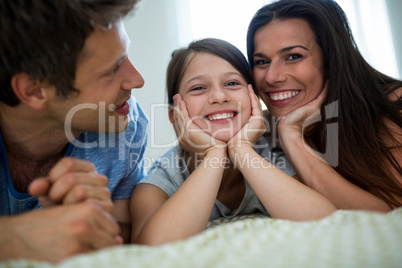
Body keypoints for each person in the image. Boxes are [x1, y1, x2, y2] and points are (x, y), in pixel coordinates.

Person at [130, 38, 335, 245]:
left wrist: (241, 149)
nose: (219, 96)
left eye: (232, 83)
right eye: (199, 88)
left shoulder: (274, 158)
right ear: (176, 117)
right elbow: (153, 247)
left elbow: (325, 221)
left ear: (254, 100)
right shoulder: (161, 183)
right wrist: (214, 154)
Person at [0, 0, 148, 263]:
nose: (137, 80)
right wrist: (15, 237)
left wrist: (99, 223)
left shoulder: (126, 123)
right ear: (34, 91)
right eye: (113, 68)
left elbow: (126, 238)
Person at [246, 0, 402, 211]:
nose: (272, 77)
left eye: (293, 56)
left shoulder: (391, 105)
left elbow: (390, 213)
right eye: (262, 62)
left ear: (331, 59)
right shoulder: (259, 129)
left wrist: (291, 137)